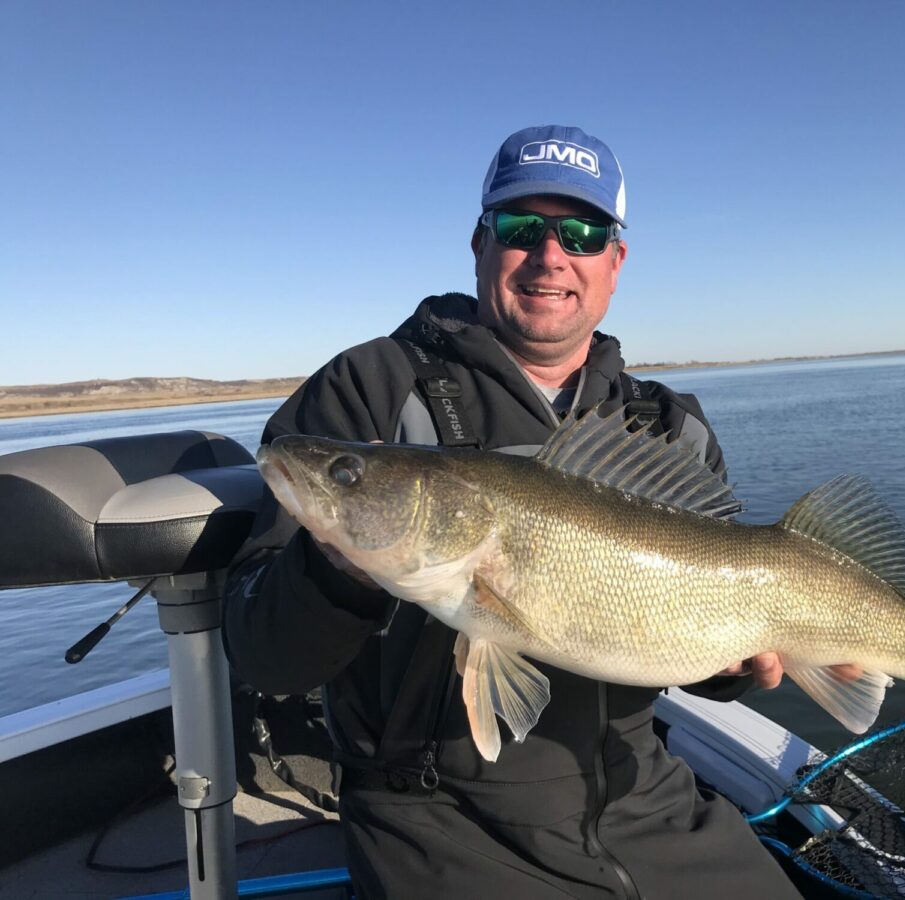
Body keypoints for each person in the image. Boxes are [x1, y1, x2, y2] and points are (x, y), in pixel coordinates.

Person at [222, 125, 801, 899]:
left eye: (584, 233)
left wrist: (731, 670)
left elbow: (690, 646)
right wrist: (340, 567)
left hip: (648, 802)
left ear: (615, 263)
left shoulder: (668, 425)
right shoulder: (368, 393)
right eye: (523, 227)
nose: (551, 255)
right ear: (481, 243)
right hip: (440, 823)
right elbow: (264, 657)